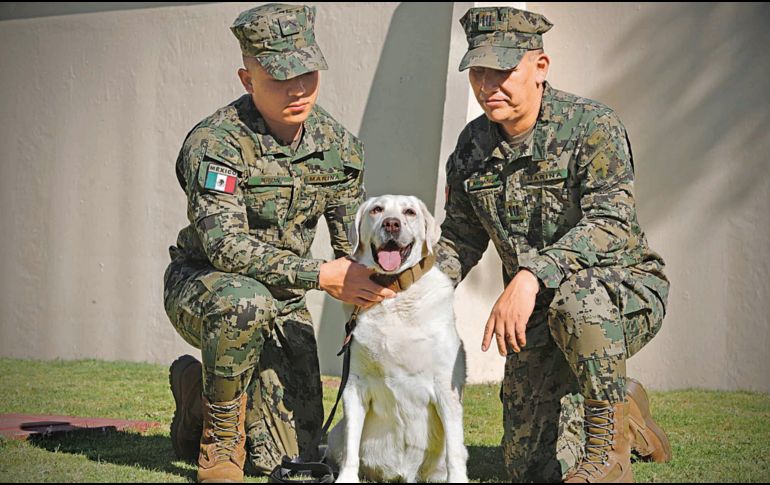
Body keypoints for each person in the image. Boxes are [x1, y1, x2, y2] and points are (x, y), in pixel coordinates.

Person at [436, 6, 672, 483]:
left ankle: (608, 457)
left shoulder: (591, 127)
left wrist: (531, 274)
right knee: (529, 469)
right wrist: (409, 292)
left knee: (578, 302)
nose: (487, 85)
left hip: (620, 294)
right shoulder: (472, 147)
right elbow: (459, 238)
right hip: (540, 315)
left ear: (540, 67)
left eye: (502, 70)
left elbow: (610, 223)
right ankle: (624, 409)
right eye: (478, 72)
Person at [162, 4, 394, 482]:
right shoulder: (217, 143)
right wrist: (320, 275)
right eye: (279, 78)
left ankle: (196, 399)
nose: (298, 89)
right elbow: (225, 246)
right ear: (247, 80)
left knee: (290, 458)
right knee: (243, 301)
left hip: (284, 301)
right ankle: (220, 442)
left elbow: (352, 245)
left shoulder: (339, 148)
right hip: (206, 287)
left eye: (307, 74)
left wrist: (377, 295)